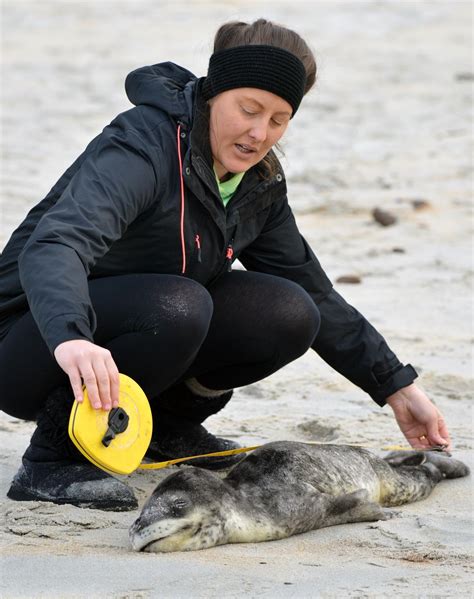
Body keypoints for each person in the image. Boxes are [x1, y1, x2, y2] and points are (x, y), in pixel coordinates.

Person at [0, 19, 451, 511]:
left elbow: (313, 288)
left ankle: (167, 430)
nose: (260, 133)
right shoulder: (143, 145)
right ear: (216, 93)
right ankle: (51, 461)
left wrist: (396, 387)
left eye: (279, 119)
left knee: (289, 312)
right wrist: (71, 335)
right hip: (31, 340)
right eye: (249, 109)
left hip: (133, 334)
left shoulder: (258, 180)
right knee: (181, 303)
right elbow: (58, 243)